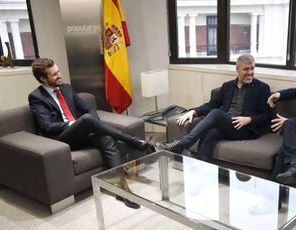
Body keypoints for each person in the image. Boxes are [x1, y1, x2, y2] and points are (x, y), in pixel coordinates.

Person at [28, 58, 153, 209]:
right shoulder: (36, 97)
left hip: (81, 133)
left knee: (104, 137)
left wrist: (95, 125)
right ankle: (133, 141)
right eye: (54, 74)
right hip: (61, 140)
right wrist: (75, 123)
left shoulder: (67, 88)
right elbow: (47, 126)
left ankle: (122, 190)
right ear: (43, 78)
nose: (59, 75)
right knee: (86, 120)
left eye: (59, 71)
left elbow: (88, 109)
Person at [157, 54, 272, 161]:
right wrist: (194, 111)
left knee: (216, 113)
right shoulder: (228, 86)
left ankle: (182, 144)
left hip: (245, 128)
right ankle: (202, 170)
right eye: (246, 69)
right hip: (226, 124)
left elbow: (267, 116)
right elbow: (211, 105)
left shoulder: (262, 88)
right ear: (237, 69)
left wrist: (249, 119)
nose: (250, 72)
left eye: (252, 68)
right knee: (211, 133)